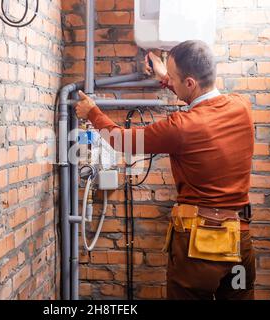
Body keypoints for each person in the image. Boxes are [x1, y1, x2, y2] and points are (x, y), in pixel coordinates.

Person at [75, 40, 256, 300]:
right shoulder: (242, 106)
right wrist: (167, 77)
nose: (169, 80)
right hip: (240, 245)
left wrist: (92, 112)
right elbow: (201, 95)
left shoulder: (182, 126)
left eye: (173, 78)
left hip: (200, 250)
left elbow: (122, 140)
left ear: (190, 83)